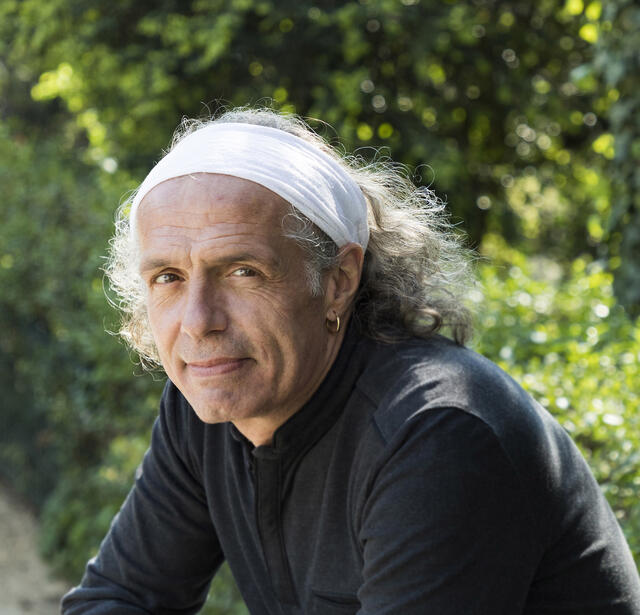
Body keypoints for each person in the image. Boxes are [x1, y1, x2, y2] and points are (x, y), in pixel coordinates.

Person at [62, 108, 640, 615]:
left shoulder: (436, 433)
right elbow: (120, 597)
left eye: (242, 271)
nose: (198, 322)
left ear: (338, 281)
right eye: (168, 277)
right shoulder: (209, 405)